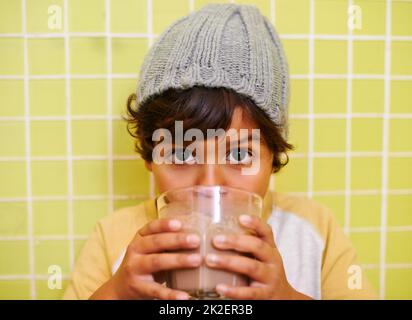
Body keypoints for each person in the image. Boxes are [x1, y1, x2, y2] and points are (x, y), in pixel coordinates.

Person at [63, 3, 377, 300]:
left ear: (273, 158)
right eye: (183, 155)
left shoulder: (315, 231)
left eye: (239, 155)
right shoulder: (114, 238)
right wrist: (116, 293)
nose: (210, 184)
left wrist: (287, 295)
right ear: (150, 157)